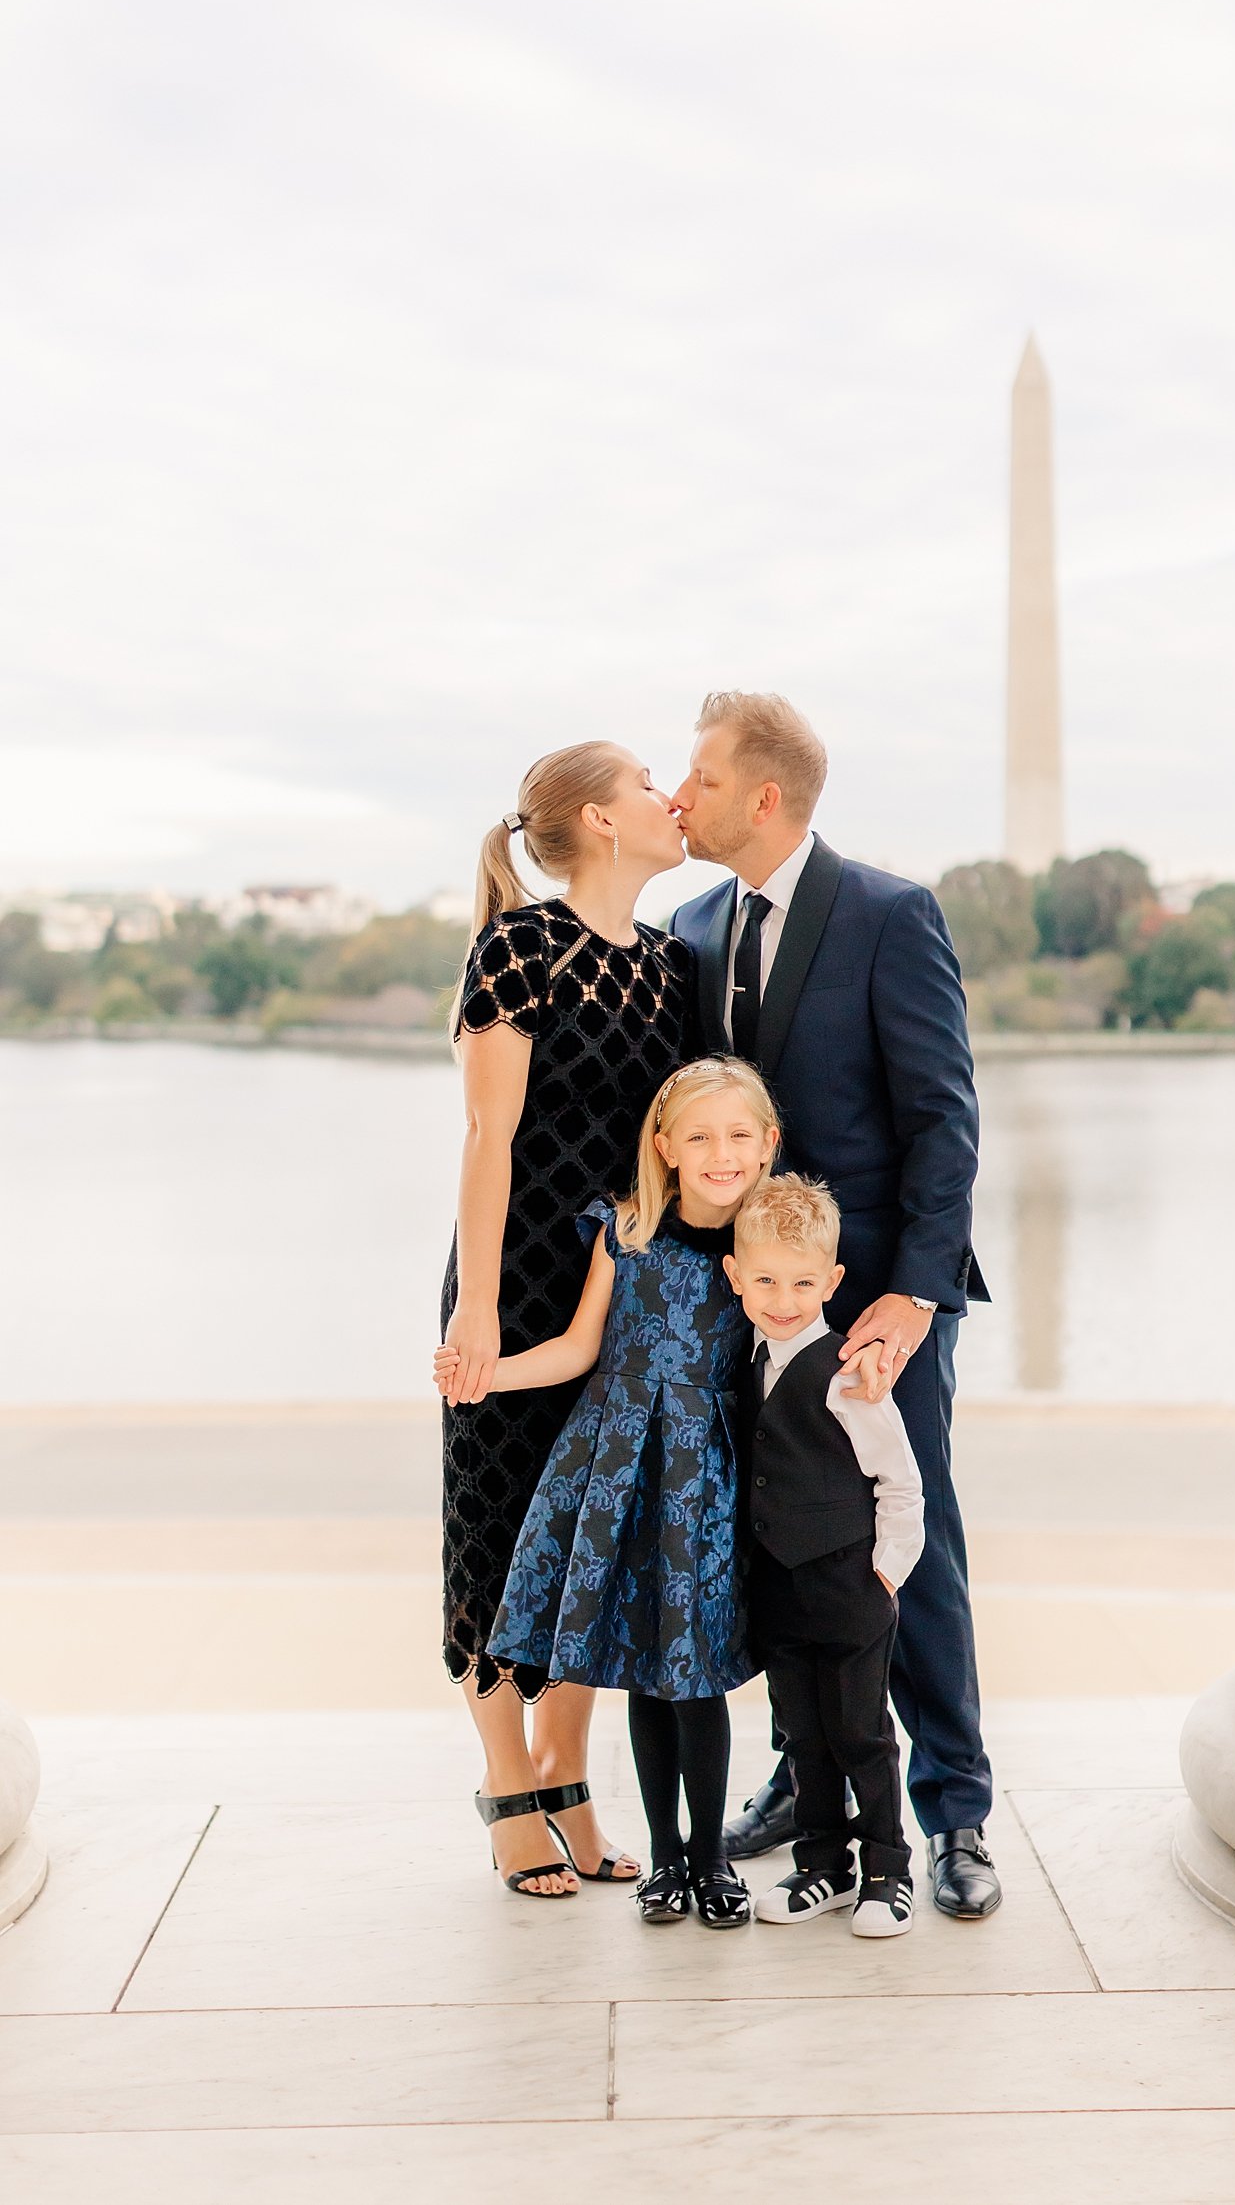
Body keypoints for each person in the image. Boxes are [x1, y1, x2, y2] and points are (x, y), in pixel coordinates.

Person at [669, 690, 1002, 1921]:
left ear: (765, 795)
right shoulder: (691, 922)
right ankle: (802, 1784)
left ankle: (956, 1812)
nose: (677, 797)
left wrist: (917, 1292)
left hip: (877, 1312)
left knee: (911, 1548)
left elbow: (943, 1120)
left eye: (698, 779)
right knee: (781, 1539)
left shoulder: (888, 913)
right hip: (748, 1308)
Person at [439, 740, 693, 1899]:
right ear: (597, 819)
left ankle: (568, 1774)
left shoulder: (674, 967)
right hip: (516, 1279)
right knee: (499, 1525)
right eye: (647, 783)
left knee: (594, 1532)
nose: (668, 799)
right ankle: (507, 1786)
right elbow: (488, 1140)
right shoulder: (520, 949)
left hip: (619, 1287)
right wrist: (480, 1313)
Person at [440, 1057, 774, 1926]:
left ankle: (712, 1862)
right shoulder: (623, 1233)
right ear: (662, 1148)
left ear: (768, 1144)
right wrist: (491, 1374)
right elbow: (579, 1348)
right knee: (644, 1675)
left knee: (695, 1674)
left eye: (739, 1135)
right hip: (617, 1469)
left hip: (702, 1482)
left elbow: (795, 1349)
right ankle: (668, 1861)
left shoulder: (763, 1249)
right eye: (698, 1136)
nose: (720, 1153)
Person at [726, 1176, 925, 1940]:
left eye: (804, 1282)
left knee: (861, 1732)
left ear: (833, 1282)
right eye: (767, 1279)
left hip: (850, 1586)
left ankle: (886, 1869)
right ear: (736, 1276)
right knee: (801, 1733)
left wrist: (885, 1574)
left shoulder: (852, 1375)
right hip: (778, 1587)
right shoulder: (743, 1363)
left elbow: (899, 1481)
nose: (784, 1298)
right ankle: (822, 1866)